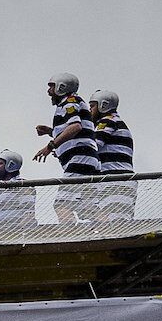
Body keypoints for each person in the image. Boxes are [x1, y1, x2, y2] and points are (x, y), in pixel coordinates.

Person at [33, 72, 100, 222]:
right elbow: (76, 130)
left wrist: (50, 146)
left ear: (61, 87)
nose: (49, 91)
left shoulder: (69, 102)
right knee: (90, 207)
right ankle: (105, 232)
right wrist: (51, 132)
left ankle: (69, 234)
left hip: (79, 159)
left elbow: (75, 126)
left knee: (62, 204)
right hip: (88, 159)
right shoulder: (74, 102)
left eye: (52, 87)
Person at [90, 89, 135, 220]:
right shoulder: (110, 121)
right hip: (114, 179)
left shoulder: (108, 121)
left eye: (92, 106)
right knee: (110, 222)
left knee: (117, 223)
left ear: (103, 105)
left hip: (117, 180)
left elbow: (94, 145)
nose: (89, 110)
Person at [0, 149, 36, 230]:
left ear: (10, 165)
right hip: (1, 234)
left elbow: (29, 214)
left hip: (18, 234)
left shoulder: (23, 186)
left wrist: (18, 232)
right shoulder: (0, 190)